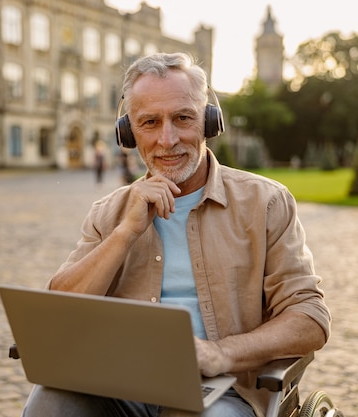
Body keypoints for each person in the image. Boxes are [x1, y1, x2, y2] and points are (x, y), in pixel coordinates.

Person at [21, 52, 331, 417]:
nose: (167, 139)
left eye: (183, 118)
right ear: (128, 133)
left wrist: (221, 352)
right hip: (118, 386)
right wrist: (125, 232)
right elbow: (59, 314)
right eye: (149, 122)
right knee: (48, 404)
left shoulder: (266, 203)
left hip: (224, 391)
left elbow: (310, 317)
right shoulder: (108, 213)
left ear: (209, 122)